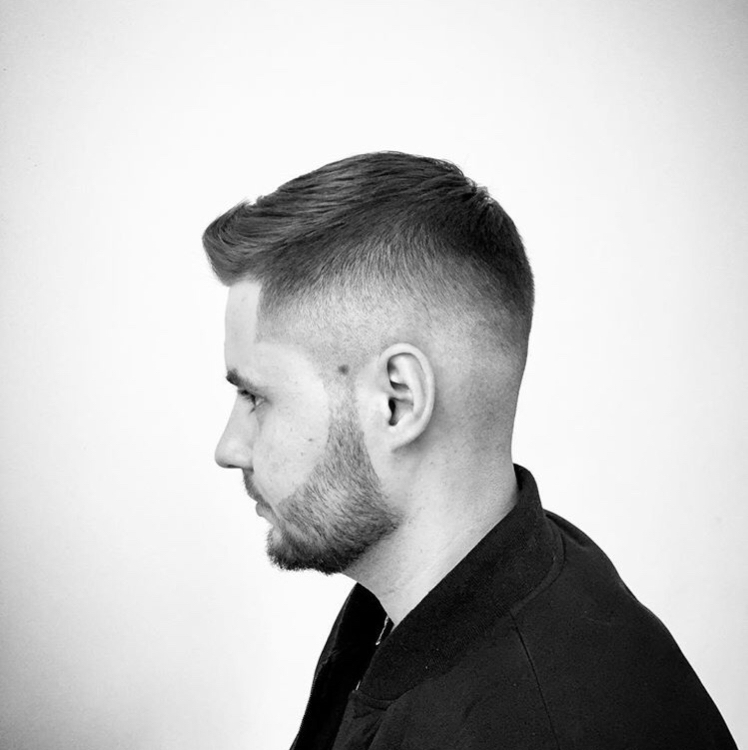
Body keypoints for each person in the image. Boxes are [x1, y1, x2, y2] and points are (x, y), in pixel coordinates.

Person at [202, 152, 736, 749]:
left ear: (397, 402)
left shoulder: (531, 726)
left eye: (255, 396)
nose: (229, 447)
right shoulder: (429, 602)